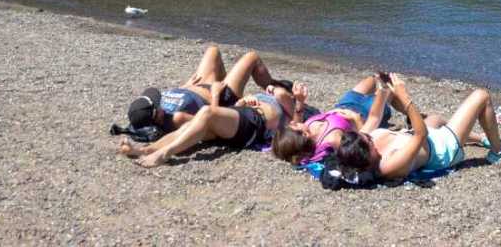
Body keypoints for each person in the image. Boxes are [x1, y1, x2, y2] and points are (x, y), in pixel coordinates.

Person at [334, 74, 501, 181]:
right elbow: (420, 134)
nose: (371, 137)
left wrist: (383, 88)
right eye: (370, 141)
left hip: (423, 136)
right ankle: (498, 152)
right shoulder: (388, 165)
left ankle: (482, 138)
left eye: (367, 136)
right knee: (481, 96)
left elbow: (375, 117)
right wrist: (405, 98)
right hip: (443, 147)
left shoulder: (360, 143)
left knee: (435, 119)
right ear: (367, 158)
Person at [123, 45, 301, 136]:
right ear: (157, 116)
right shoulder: (175, 119)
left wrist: (184, 86)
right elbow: (209, 121)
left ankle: (231, 80)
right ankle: (273, 86)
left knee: (212, 51)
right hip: (222, 96)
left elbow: (174, 98)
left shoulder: (158, 110)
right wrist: (216, 93)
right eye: (156, 103)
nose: (158, 100)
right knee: (251, 57)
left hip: (197, 86)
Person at [120, 86, 296, 167]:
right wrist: (243, 101)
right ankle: (145, 150)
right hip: (241, 120)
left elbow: (294, 118)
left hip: (255, 124)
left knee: (206, 112)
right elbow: (237, 108)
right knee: (189, 126)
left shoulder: (286, 102)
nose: (271, 90)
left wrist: (279, 91)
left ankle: (164, 154)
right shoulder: (266, 97)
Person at [271, 74, 397, 165]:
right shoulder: (332, 140)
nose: (293, 122)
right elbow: (361, 142)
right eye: (293, 126)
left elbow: (297, 122)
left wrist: (299, 101)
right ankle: (406, 109)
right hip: (366, 113)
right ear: (304, 135)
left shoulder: (306, 134)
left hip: (345, 104)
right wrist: (357, 120)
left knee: (374, 78)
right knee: (389, 84)